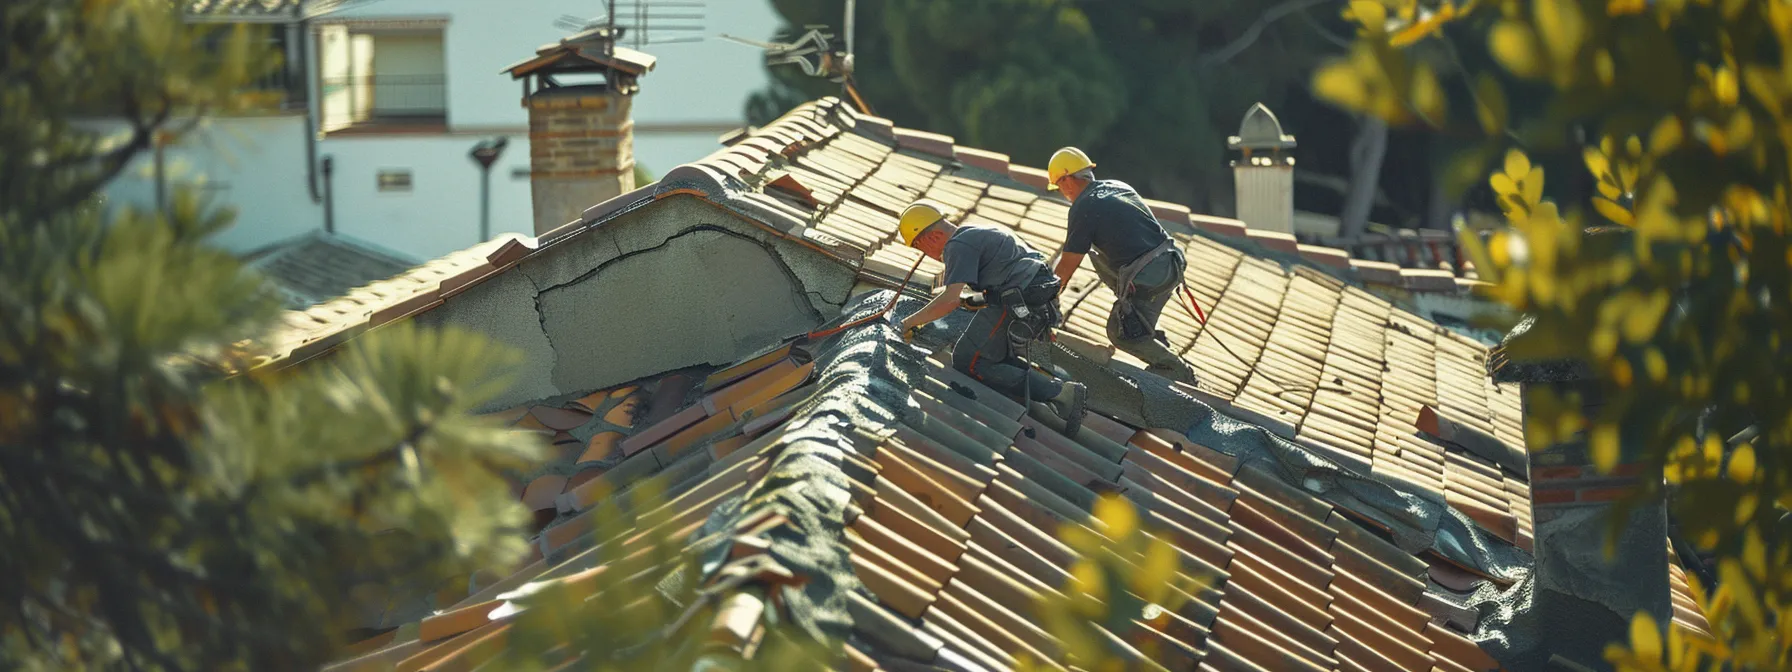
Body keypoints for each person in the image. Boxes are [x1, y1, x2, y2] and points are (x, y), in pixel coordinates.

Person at [894, 200, 1090, 436]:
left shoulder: (956, 246)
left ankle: (1059, 394)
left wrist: (906, 324)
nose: (926, 255)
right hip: (1030, 298)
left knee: (969, 358)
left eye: (920, 247)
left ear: (933, 236)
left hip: (1017, 300)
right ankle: (1058, 393)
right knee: (996, 358)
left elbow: (949, 300)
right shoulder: (977, 231)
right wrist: (977, 300)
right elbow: (1005, 276)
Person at [1045, 147, 1199, 384]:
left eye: (1059, 186)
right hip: (1171, 264)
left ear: (1067, 180)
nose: (1063, 193)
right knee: (1134, 323)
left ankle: (1175, 370)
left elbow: (1068, 263)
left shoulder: (1084, 207)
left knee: (1120, 331)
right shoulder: (1118, 186)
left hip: (1150, 276)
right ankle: (1156, 344)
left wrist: (1047, 296)